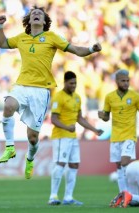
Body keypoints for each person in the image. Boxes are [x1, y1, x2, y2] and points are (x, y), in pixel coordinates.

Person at [0, 6, 102, 179]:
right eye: (33, 14)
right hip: (22, 86)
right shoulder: (21, 38)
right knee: (8, 105)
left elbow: (76, 50)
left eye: (40, 14)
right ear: (29, 20)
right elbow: (2, 43)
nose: (36, 14)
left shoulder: (52, 37)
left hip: (41, 91)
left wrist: (91, 49)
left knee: (32, 138)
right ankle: (9, 148)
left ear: (44, 21)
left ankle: (30, 159)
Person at [48, 71, 103, 206]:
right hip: (61, 136)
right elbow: (53, 119)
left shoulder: (77, 98)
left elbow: (80, 118)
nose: (73, 86)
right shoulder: (58, 97)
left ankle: (68, 197)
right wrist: (67, 127)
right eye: (71, 83)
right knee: (60, 163)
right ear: (65, 82)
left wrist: (94, 130)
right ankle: (53, 196)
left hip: (72, 137)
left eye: (75, 83)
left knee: (74, 165)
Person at [98, 69, 139, 192]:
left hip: (129, 135)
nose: (126, 83)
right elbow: (106, 117)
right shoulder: (109, 97)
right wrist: (102, 116)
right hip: (115, 136)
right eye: (123, 81)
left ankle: (131, 193)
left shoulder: (135, 96)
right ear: (116, 81)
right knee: (119, 166)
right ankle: (123, 194)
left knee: (125, 163)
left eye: (127, 81)